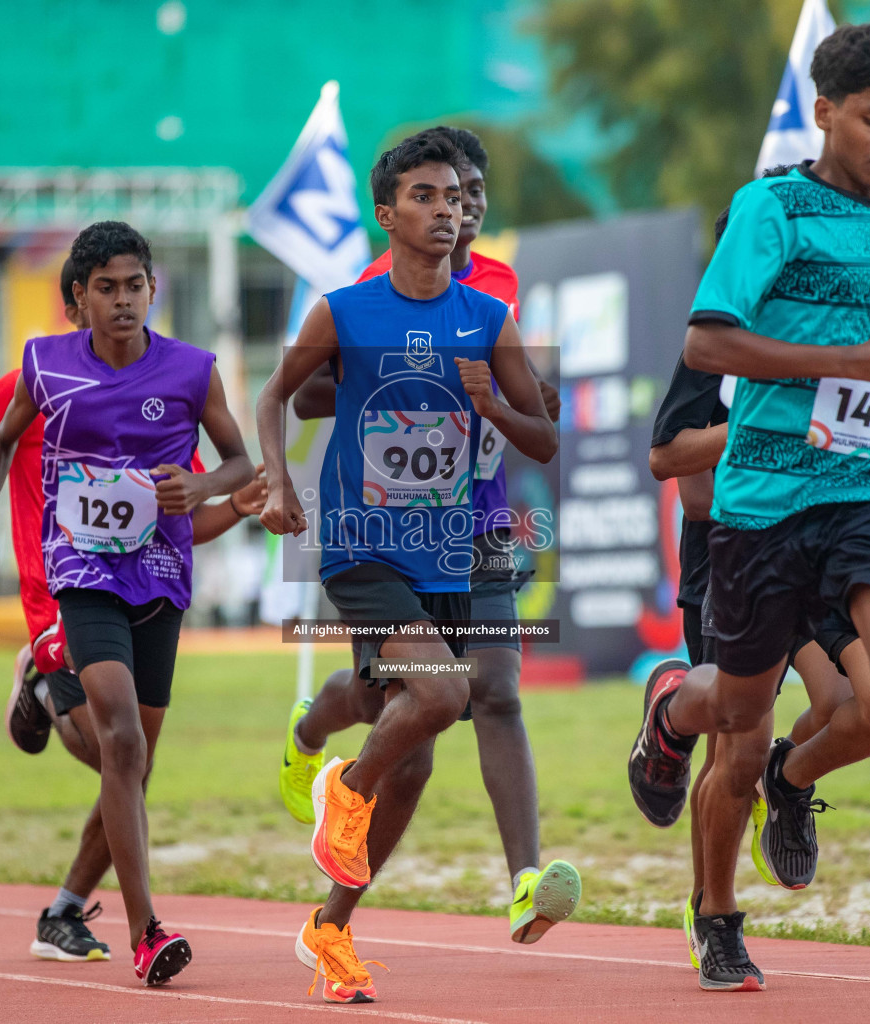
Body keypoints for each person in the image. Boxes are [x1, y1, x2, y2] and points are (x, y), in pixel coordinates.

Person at [625, 22, 870, 990]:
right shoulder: (768, 210)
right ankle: (711, 899)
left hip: (866, 489)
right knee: (738, 728)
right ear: (826, 111)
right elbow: (709, 348)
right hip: (763, 509)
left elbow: (858, 387)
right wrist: (849, 364)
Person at [257, 131, 556, 1004]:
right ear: (388, 215)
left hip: (460, 541)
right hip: (364, 544)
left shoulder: (487, 316)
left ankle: (331, 927)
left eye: (454, 198)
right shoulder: (345, 309)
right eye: (425, 197)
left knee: (419, 756)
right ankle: (342, 788)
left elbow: (543, 434)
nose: (445, 210)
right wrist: (278, 480)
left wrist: (490, 401)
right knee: (442, 695)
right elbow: (280, 393)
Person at [0, 256, 267, 963]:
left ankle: (61, 907)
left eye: (134, 286)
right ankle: (147, 932)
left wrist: (206, 492)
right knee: (120, 743)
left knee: (132, 761)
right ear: (78, 298)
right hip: (78, 574)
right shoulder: (43, 365)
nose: (122, 300)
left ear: (153, 289)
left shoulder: (192, 370)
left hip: (162, 577)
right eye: (105, 288)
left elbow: (238, 462)